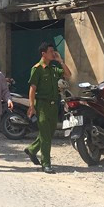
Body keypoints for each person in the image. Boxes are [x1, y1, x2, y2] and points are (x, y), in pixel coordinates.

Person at [25, 42, 72, 174]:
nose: (53, 53)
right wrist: (31, 106)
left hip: (53, 105)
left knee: (49, 133)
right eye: (51, 51)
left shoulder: (53, 68)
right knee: (46, 136)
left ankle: (32, 149)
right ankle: (46, 164)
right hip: (42, 105)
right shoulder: (37, 69)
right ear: (43, 54)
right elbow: (32, 88)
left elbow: (68, 75)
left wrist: (61, 61)